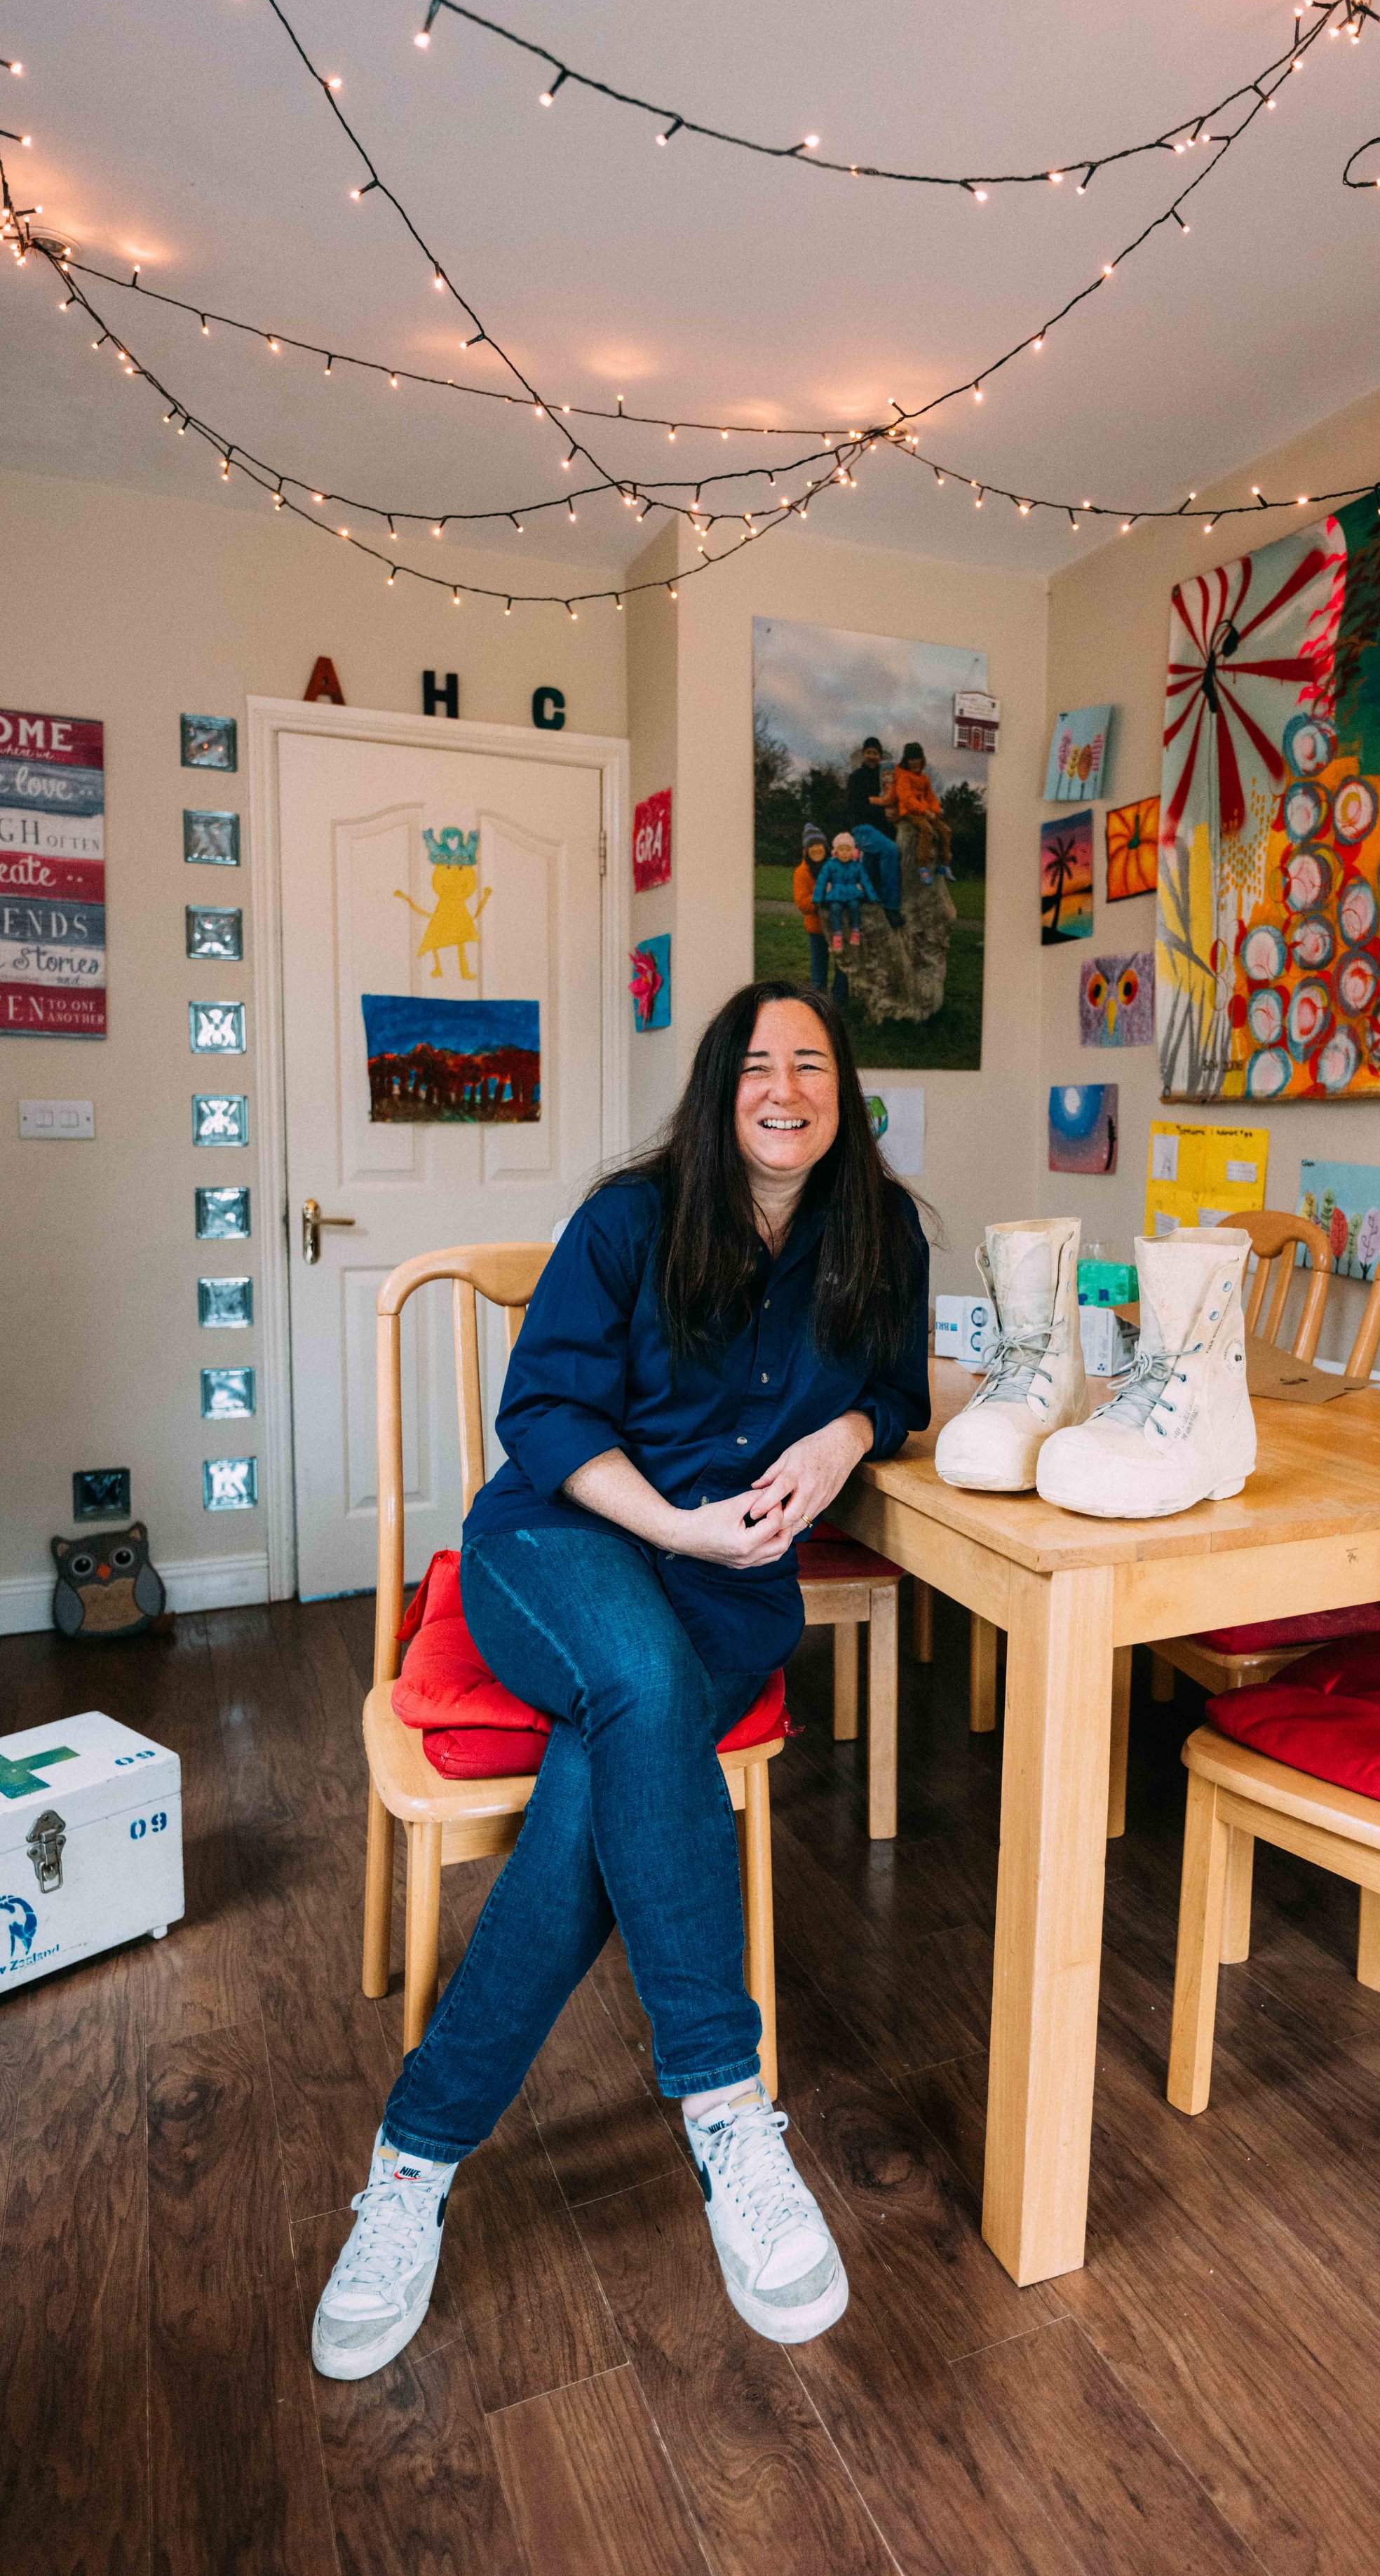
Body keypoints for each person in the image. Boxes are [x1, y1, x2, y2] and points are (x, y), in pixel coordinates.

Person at [311, 984, 931, 2379]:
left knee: (605, 1776)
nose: (784, 1089)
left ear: (843, 1093)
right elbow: (539, 1416)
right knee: (641, 1686)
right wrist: (675, 1526)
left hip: (728, 1588)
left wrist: (843, 1434)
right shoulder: (629, 1221)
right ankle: (726, 2107)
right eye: (757, 1065)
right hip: (562, 1543)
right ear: (718, 1090)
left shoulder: (879, 1232)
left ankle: (411, 2160)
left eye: (811, 1065)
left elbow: (898, 1390)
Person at [846, 735, 902, 925]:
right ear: (864, 754)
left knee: (871, 862)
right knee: (890, 850)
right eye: (869, 752)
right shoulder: (856, 778)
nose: (872, 756)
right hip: (862, 828)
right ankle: (891, 906)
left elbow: (891, 800)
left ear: (880, 756)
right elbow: (856, 807)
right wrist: (881, 812)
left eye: (876, 753)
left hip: (880, 830)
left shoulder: (885, 779)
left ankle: (864, 894)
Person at [792, 826, 846, 1001]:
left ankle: (839, 1003)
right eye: (812, 846)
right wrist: (822, 897)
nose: (816, 849)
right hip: (817, 929)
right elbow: (803, 904)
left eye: (819, 845)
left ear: (825, 847)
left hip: (839, 926)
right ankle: (818, 1003)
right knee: (819, 970)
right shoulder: (802, 873)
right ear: (806, 850)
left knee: (843, 967)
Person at [886, 740, 952, 880]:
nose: (915, 762)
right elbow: (907, 799)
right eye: (911, 759)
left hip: (925, 812)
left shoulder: (925, 779)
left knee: (946, 830)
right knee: (926, 829)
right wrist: (925, 812)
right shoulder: (903, 777)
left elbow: (931, 798)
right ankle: (922, 865)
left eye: (918, 758)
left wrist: (935, 811)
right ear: (906, 761)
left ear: (922, 760)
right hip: (910, 812)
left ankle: (944, 864)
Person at [814, 830, 878, 952]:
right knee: (835, 909)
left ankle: (855, 930)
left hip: (852, 893)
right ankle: (837, 934)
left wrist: (872, 897)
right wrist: (818, 898)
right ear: (836, 851)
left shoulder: (857, 866)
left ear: (852, 852)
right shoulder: (830, 865)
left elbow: (866, 882)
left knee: (854, 907)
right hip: (836, 894)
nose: (844, 853)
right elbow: (821, 881)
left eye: (848, 850)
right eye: (841, 850)